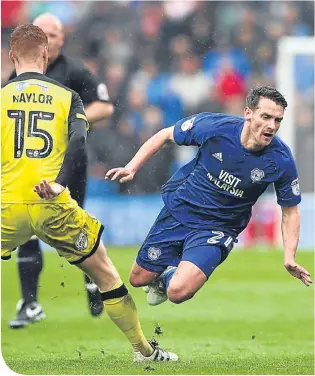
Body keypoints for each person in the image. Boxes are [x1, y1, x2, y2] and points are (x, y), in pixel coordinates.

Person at [1, 24, 178, 363]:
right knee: (107, 274)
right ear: (44, 54)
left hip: (6, 205)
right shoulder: (68, 96)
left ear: (11, 57)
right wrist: (59, 184)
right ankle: (143, 350)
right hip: (52, 204)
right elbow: (80, 144)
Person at [106, 85, 313, 307]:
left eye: (278, 120)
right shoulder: (215, 127)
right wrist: (132, 167)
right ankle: (163, 275)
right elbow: (166, 134)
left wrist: (289, 256)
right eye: (266, 117)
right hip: (180, 209)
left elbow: (290, 210)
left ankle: (170, 279)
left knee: (177, 292)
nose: (272, 126)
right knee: (138, 278)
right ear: (248, 114)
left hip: (218, 228)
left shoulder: (281, 159)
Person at [8, 13, 114, 328]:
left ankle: (93, 281)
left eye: (53, 34)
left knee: (73, 229)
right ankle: (30, 303)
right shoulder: (19, 75)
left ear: (61, 38)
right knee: (27, 230)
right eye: (42, 33)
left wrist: (71, 120)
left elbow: (105, 106)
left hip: (68, 164)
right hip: (27, 168)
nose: (48, 39)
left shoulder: (75, 71)